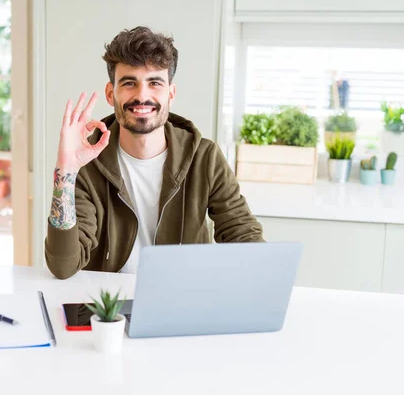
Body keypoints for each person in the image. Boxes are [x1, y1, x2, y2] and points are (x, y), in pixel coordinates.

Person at [45, 26, 263, 279]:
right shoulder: (87, 162)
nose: (142, 95)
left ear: (170, 93)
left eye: (155, 83)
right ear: (110, 93)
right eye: (129, 83)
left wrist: (264, 276)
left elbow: (241, 233)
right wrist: (66, 171)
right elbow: (63, 266)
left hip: (181, 300)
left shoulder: (205, 157)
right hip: (107, 308)